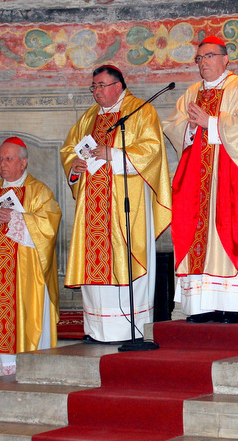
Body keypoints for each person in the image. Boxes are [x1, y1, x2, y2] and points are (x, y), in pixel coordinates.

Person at [162, 35, 238, 324]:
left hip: (232, 178)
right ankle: (202, 305)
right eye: (200, 58)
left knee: (231, 233)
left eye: (210, 56)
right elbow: (174, 126)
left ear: (226, 59)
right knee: (195, 233)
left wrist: (211, 122)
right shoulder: (191, 93)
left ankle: (232, 305)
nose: (204, 62)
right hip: (196, 181)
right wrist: (190, 128)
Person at [60, 65, 172, 343]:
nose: (96, 92)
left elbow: (152, 150)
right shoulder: (89, 117)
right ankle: (97, 330)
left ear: (118, 86)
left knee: (125, 258)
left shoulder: (141, 111)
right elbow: (69, 150)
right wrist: (74, 166)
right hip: (92, 207)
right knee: (94, 261)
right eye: (94, 87)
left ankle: (130, 329)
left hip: (125, 205)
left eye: (101, 86)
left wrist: (113, 153)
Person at [0, 137, 61, 377]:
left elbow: (49, 226)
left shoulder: (39, 191)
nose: (3, 164)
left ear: (23, 162)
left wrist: (15, 218)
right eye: (0, 158)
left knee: (23, 328)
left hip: (26, 281)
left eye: (8, 159)